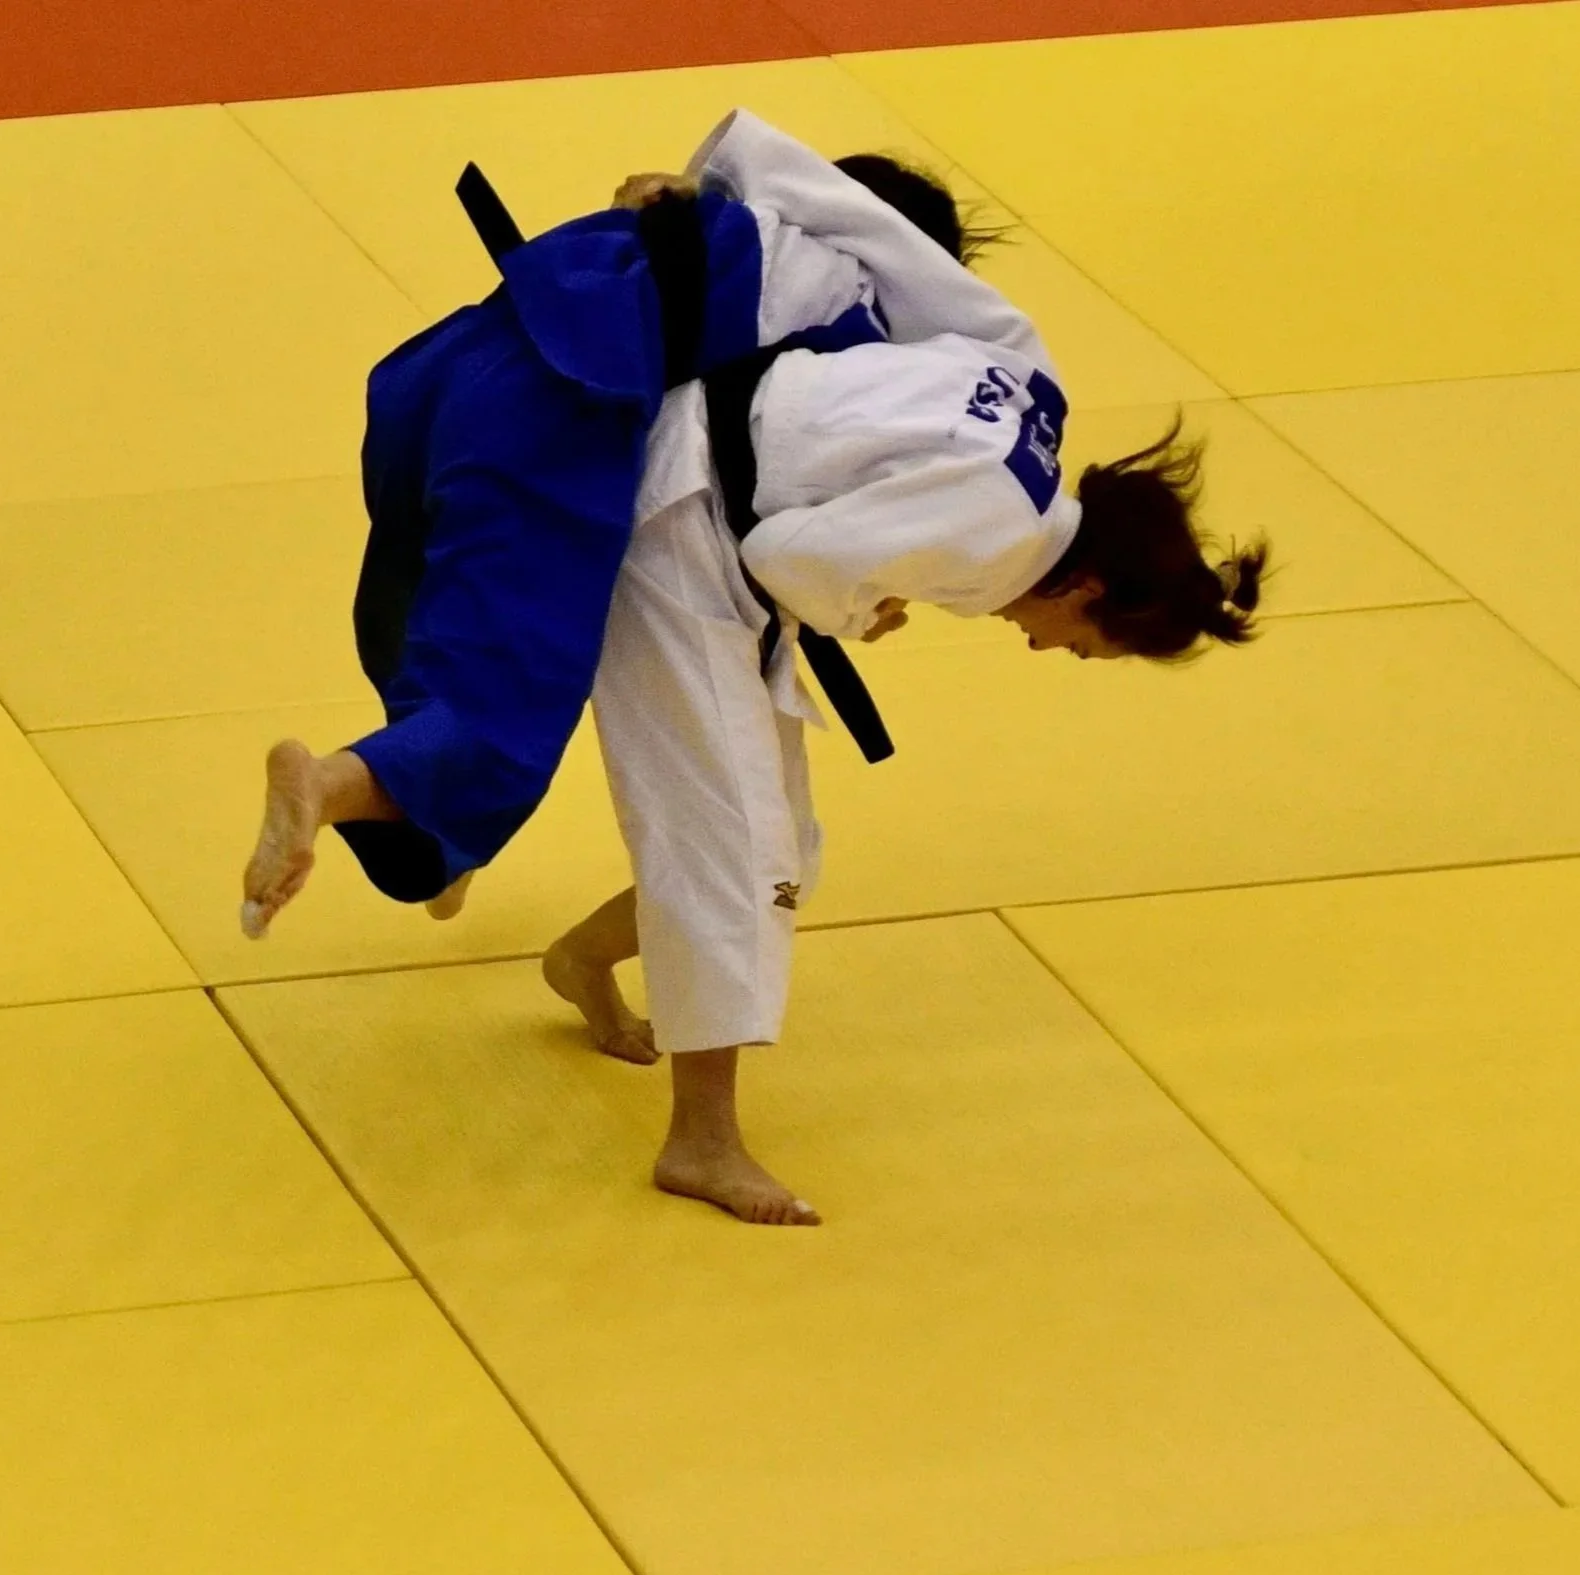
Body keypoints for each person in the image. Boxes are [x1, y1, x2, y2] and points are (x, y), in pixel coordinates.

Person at [540, 118, 1270, 1226]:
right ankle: (700, 1140)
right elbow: (784, 559)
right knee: (737, 852)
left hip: (705, 493)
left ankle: (581, 960)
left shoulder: (1032, 388)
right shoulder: (991, 528)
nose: (1051, 650)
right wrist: (860, 608)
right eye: (1086, 646)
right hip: (680, 538)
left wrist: (713, 185)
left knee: (789, 849)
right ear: (1087, 592)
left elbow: (885, 241)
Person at [240, 113, 989, 939]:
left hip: (444, 370)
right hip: (548, 422)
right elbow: (789, 467)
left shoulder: (721, 212)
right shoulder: (856, 308)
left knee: (426, 634)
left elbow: (643, 201)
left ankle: (436, 847)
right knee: (514, 694)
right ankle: (328, 783)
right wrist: (858, 597)